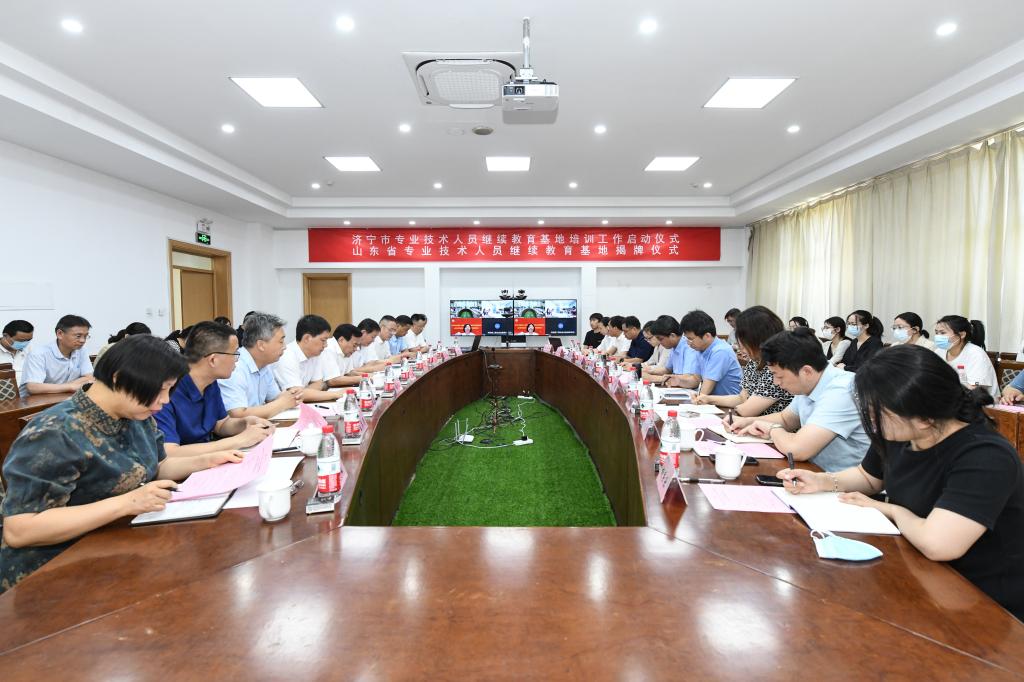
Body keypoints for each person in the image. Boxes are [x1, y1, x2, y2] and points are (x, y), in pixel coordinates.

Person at [777, 345, 1024, 621]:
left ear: (924, 417)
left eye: (877, 414)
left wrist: (892, 510)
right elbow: (869, 477)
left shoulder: (985, 456)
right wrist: (822, 481)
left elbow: (939, 544)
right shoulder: (902, 433)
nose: (871, 422)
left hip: (981, 602)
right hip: (916, 569)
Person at [0, 335, 245, 593]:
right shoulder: (55, 432)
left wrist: (206, 461)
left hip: (117, 547)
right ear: (119, 379)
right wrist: (127, 503)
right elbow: (21, 530)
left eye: (170, 390)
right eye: (160, 389)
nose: (165, 401)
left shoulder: (136, 414)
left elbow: (156, 467)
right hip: (50, 573)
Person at [726, 328, 870, 472]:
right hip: (813, 471)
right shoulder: (809, 382)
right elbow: (786, 419)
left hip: (841, 480)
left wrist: (772, 430)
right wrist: (747, 422)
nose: (776, 382)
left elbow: (796, 450)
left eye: (779, 376)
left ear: (806, 371)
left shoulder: (842, 391)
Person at [154, 321, 274, 457]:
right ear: (213, 360)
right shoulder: (167, 390)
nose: (237, 360)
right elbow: (170, 452)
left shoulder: (210, 382)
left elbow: (220, 424)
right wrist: (238, 440)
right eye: (234, 354)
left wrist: (246, 423)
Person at [694, 306, 793, 416]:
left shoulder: (777, 367)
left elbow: (747, 410)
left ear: (759, 340)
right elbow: (742, 397)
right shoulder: (754, 361)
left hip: (769, 424)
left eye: (744, 344)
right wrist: (708, 399)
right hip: (755, 423)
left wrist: (738, 406)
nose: (742, 350)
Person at [219, 312, 301, 419]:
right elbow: (238, 414)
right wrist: (282, 403)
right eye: (281, 341)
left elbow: (274, 398)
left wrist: (292, 395)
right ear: (261, 345)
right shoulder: (235, 367)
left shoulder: (264, 364)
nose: (285, 346)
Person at [19, 314, 94, 398]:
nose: (82, 340)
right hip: (33, 402)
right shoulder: (38, 354)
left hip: (63, 398)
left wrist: (66, 387)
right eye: (78, 336)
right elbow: (33, 387)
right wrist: (70, 386)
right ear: (60, 334)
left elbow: (89, 378)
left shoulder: (81, 350)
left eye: (86, 336)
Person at [272, 315, 341, 403]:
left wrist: (304, 392)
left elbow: (318, 384)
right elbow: (296, 394)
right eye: (323, 340)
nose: (326, 345)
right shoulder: (286, 356)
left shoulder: (315, 354)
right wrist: (337, 394)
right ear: (307, 338)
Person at [672, 310, 742, 396]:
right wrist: (678, 381)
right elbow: (696, 380)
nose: (688, 343)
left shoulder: (720, 351)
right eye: (687, 339)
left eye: (691, 339)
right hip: (713, 400)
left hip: (727, 403)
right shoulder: (700, 349)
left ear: (707, 336)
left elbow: (705, 391)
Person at [934, 315, 998, 398]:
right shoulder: (939, 351)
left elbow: (974, 390)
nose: (938, 336)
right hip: (949, 399)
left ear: (962, 334)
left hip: (980, 401)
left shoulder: (976, 354)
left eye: (943, 333)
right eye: (936, 333)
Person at [645, 315, 699, 384]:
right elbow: (667, 369)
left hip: (687, 388)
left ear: (672, 336)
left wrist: (662, 378)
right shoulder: (674, 347)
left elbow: (688, 377)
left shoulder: (689, 347)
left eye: (660, 339)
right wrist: (650, 371)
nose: (660, 342)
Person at [323, 323, 363, 388]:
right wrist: (363, 379)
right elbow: (332, 380)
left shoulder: (346, 351)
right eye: (354, 345)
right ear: (341, 340)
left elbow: (349, 373)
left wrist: (370, 376)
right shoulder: (329, 349)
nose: (356, 349)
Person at [0, 320, 34, 386]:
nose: (25, 343)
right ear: (5, 335)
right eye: (21, 341)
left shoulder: (29, 348)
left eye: (28, 340)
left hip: (28, 390)